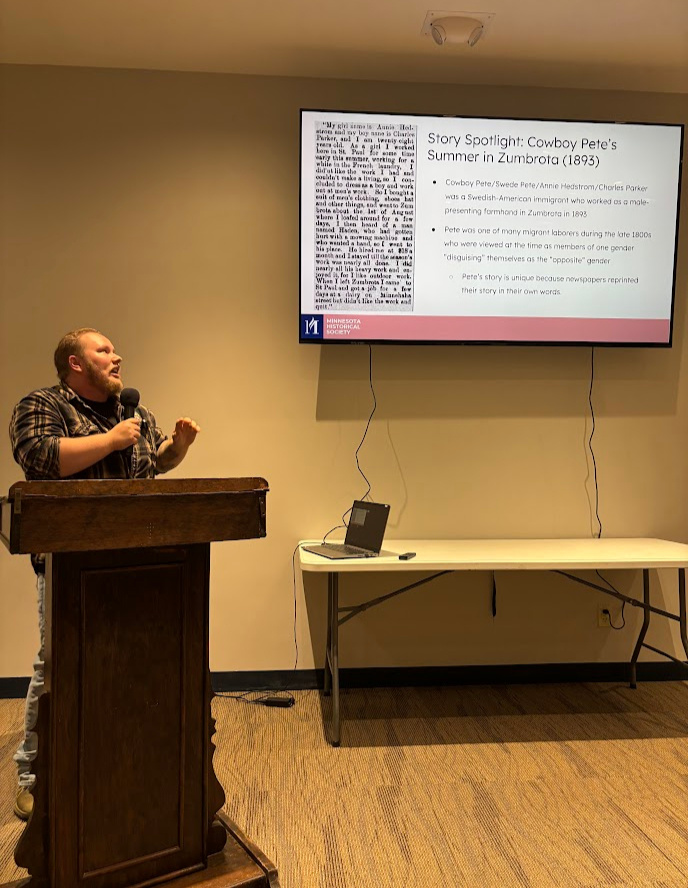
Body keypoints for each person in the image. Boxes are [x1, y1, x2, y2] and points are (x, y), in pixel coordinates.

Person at [8, 327, 200, 820]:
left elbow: (148, 465)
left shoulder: (133, 412)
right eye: (105, 351)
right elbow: (40, 458)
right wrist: (109, 438)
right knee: (57, 660)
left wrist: (174, 450)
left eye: (115, 350)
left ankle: (114, 761)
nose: (118, 357)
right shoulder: (42, 404)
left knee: (129, 660)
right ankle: (33, 774)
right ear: (75, 363)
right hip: (69, 560)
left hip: (138, 560)